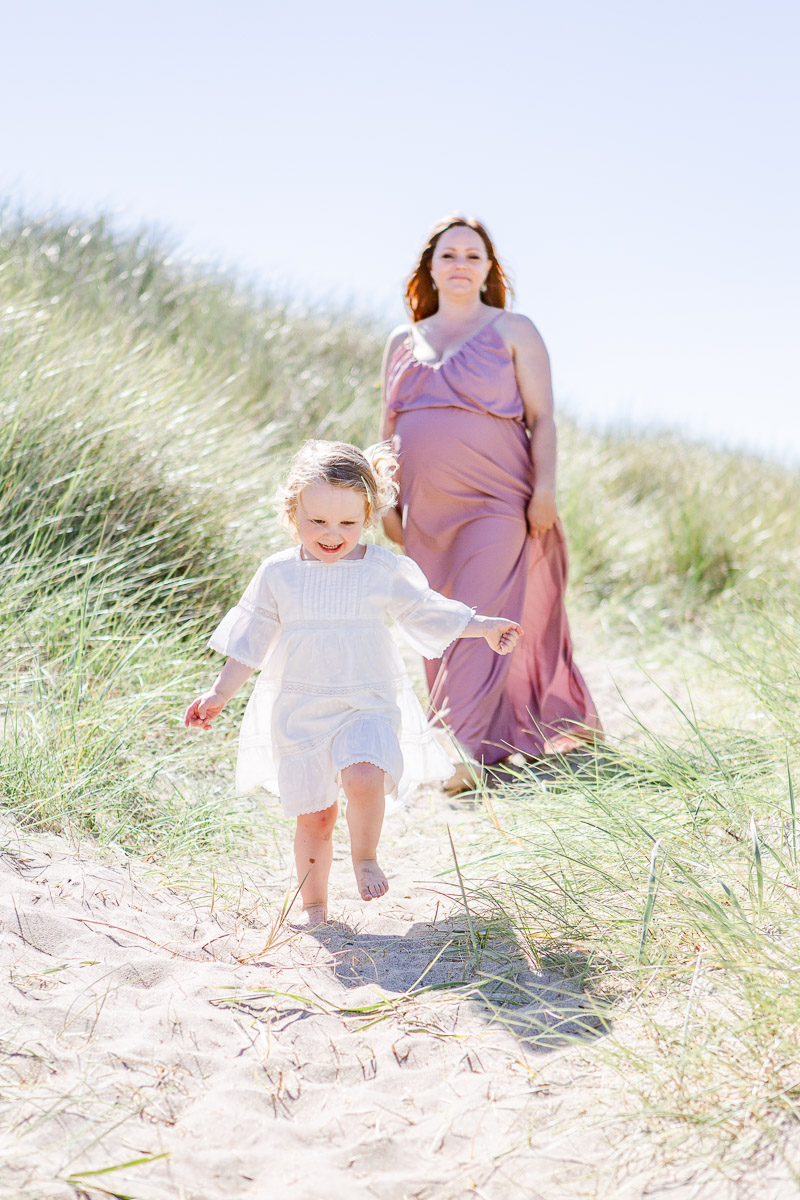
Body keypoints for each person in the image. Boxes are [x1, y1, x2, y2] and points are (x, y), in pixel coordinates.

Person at [184, 439, 523, 925]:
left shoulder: (380, 569)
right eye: (316, 521)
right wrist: (219, 694)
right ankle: (315, 907)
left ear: (366, 516)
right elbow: (251, 641)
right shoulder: (277, 573)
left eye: (346, 523)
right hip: (300, 709)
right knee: (315, 816)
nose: (330, 534)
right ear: (291, 511)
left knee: (364, 775)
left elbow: (425, 610)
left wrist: (484, 626)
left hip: (366, 701)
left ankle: (365, 856)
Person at [380, 216, 601, 790]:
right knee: (438, 623)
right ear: (430, 266)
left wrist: (544, 489)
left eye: (473, 256)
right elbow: (388, 428)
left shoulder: (514, 330)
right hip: (424, 513)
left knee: (480, 615)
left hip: (498, 500)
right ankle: (477, 739)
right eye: (448, 255)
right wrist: (385, 500)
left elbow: (543, 418)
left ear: (488, 269)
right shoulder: (401, 342)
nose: (460, 265)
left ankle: (462, 754)